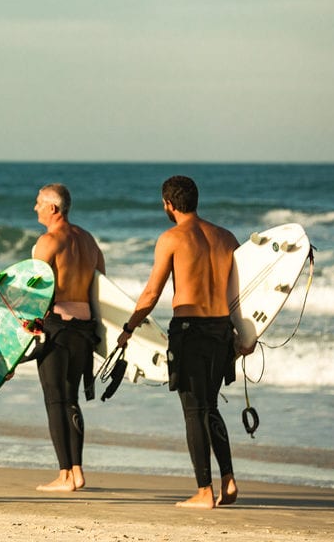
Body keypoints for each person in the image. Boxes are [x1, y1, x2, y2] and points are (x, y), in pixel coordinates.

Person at [117, 175, 252, 509]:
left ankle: (204, 491)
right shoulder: (226, 237)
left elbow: (151, 293)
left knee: (194, 411)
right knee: (210, 406)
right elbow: (240, 294)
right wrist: (244, 334)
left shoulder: (172, 238)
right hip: (221, 330)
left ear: (168, 204)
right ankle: (228, 479)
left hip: (190, 331)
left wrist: (130, 327)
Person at [30, 183, 104, 492]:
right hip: (84, 331)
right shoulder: (88, 241)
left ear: (53, 208)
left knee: (54, 400)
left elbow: (34, 291)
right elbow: (101, 289)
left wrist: (29, 326)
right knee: (71, 399)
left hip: (56, 330)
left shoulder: (47, 243)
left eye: (39, 203)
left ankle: (64, 475)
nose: (35, 208)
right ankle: (77, 470)